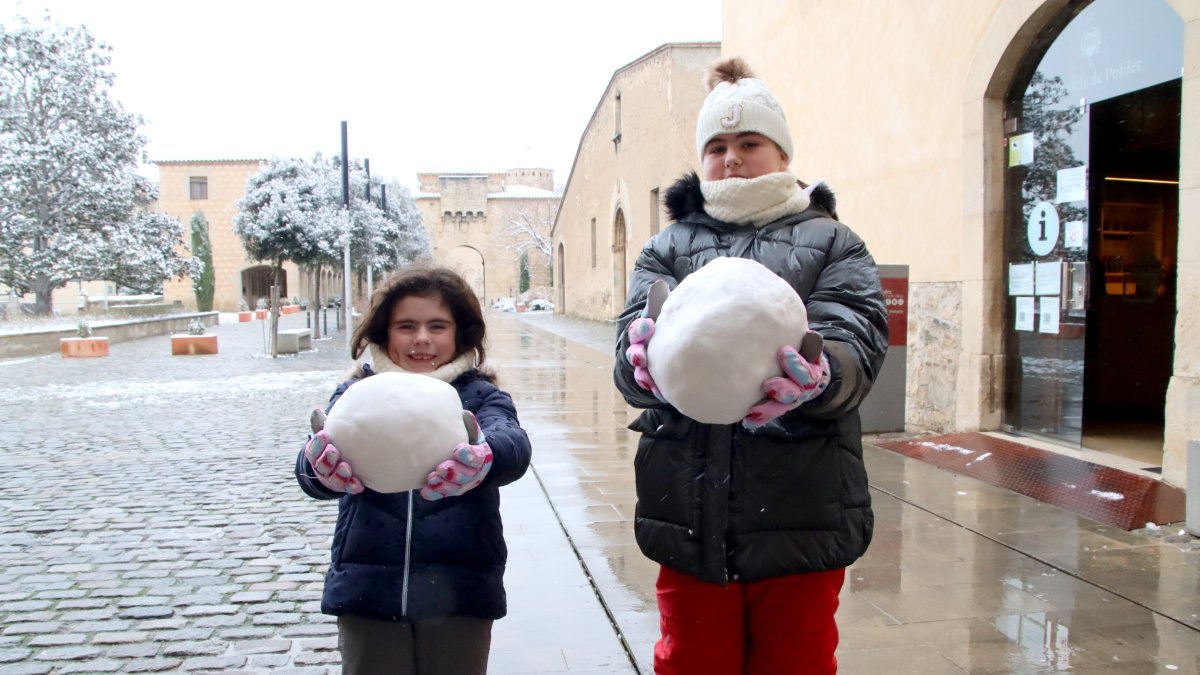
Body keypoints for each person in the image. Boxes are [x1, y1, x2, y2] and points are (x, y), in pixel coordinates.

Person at [613, 57, 889, 675]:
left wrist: (823, 376)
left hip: (802, 509)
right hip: (688, 509)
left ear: (783, 153)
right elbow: (632, 342)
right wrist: (639, 365)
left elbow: (856, 335)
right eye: (716, 146)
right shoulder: (668, 247)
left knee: (796, 660)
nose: (732, 157)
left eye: (749, 142)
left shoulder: (833, 243)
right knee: (692, 660)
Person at [296, 266, 531, 675]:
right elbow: (313, 461)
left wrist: (485, 455)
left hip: (458, 593)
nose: (422, 339)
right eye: (407, 326)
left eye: (437, 326)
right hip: (367, 590)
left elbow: (512, 443)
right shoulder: (356, 394)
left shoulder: (479, 396)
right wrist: (318, 468)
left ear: (461, 334)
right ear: (385, 333)